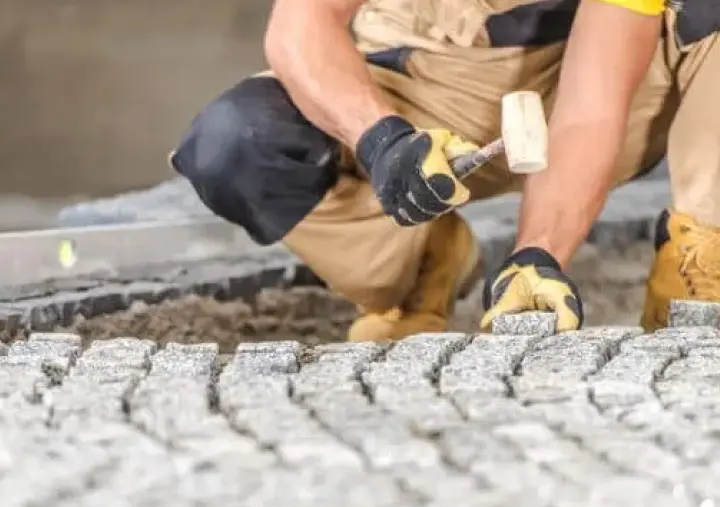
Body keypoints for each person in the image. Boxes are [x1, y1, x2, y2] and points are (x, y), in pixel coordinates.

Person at [169, 0, 719, 339]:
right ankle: (420, 266)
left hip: (585, 94)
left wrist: (537, 256)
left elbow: (590, 105)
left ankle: (699, 264)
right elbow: (300, 25)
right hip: (421, 87)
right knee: (237, 141)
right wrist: (381, 140)